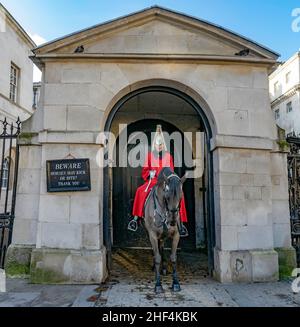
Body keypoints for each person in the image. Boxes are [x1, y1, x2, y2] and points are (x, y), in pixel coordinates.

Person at [128, 125, 189, 237]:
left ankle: (181, 224)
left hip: (166, 182)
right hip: (154, 180)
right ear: (155, 145)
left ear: (163, 145)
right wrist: (149, 173)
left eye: (161, 145)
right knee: (140, 191)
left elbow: (171, 170)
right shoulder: (150, 156)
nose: (159, 146)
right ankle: (135, 219)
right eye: (157, 144)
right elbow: (145, 170)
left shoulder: (168, 156)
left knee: (180, 194)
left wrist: (169, 178)